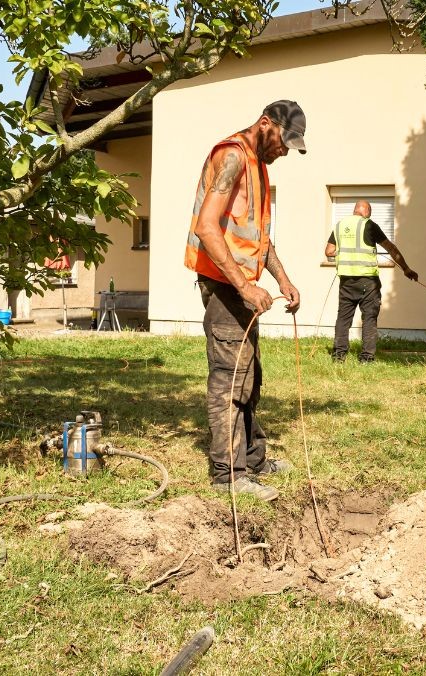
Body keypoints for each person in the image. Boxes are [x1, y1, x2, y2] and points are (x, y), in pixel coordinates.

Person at [183, 100, 306, 502]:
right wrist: (243, 286)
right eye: (284, 141)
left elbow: (259, 239)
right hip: (223, 283)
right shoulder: (233, 156)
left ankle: (253, 459)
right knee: (230, 377)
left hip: (239, 285)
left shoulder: (260, 168)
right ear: (266, 124)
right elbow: (206, 227)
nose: (285, 150)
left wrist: (283, 280)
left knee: (250, 375)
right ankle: (228, 474)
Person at [324, 200, 419, 362]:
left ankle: (338, 356)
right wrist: (406, 269)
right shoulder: (369, 225)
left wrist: (345, 253)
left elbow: (329, 252)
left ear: (355, 210)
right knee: (369, 318)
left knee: (343, 318)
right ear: (366, 212)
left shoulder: (339, 226)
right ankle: (366, 358)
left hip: (346, 281)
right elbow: (391, 249)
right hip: (367, 281)